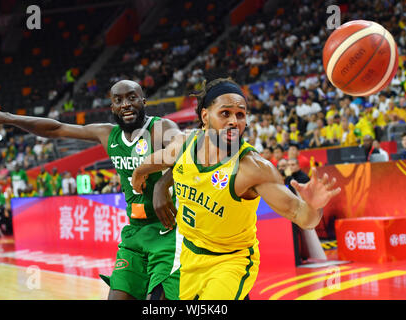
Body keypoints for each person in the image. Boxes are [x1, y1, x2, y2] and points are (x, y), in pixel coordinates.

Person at [0, 80, 183, 301]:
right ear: (112, 107)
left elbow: (184, 148)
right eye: (118, 100)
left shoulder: (160, 128)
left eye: (132, 97)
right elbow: (56, 128)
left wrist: (162, 183)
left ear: (143, 101)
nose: (126, 104)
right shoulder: (107, 134)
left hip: (167, 230)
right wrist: (6, 118)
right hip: (135, 232)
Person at [131, 78, 340, 300]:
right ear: (205, 116)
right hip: (190, 256)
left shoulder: (253, 168)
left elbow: (302, 216)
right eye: (225, 113)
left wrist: (314, 206)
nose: (234, 121)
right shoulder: (185, 143)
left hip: (230, 261)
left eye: (240, 115)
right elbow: (156, 160)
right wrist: (139, 174)